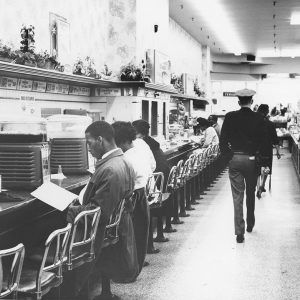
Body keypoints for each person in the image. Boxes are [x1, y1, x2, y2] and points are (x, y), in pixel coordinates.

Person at [64, 121, 136, 299]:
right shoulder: (122, 161)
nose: (87, 148)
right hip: (112, 226)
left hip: (95, 233)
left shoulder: (110, 169)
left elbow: (98, 213)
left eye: (88, 143)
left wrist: (72, 209)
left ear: (100, 140)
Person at [220, 88, 268, 243]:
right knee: (250, 192)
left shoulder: (230, 116)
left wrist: (228, 156)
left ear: (239, 102)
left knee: (237, 196)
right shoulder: (260, 118)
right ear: (252, 102)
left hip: (235, 158)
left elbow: (223, 140)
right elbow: (264, 142)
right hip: (252, 159)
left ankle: (239, 232)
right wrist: (264, 162)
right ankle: (250, 222)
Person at [111, 121, 151, 279]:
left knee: (130, 237)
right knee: (139, 235)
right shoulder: (138, 151)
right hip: (142, 193)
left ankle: (127, 272)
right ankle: (133, 270)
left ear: (120, 141)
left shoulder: (126, 159)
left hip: (133, 196)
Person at [256, 104, 281, 198]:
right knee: (266, 168)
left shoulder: (254, 123)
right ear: (266, 112)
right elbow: (275, 139)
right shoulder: (270, 124)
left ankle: (258, 187)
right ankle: (262, 185)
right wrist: (278, 152)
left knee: (257, 169)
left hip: (256, 150)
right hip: (267, 149)